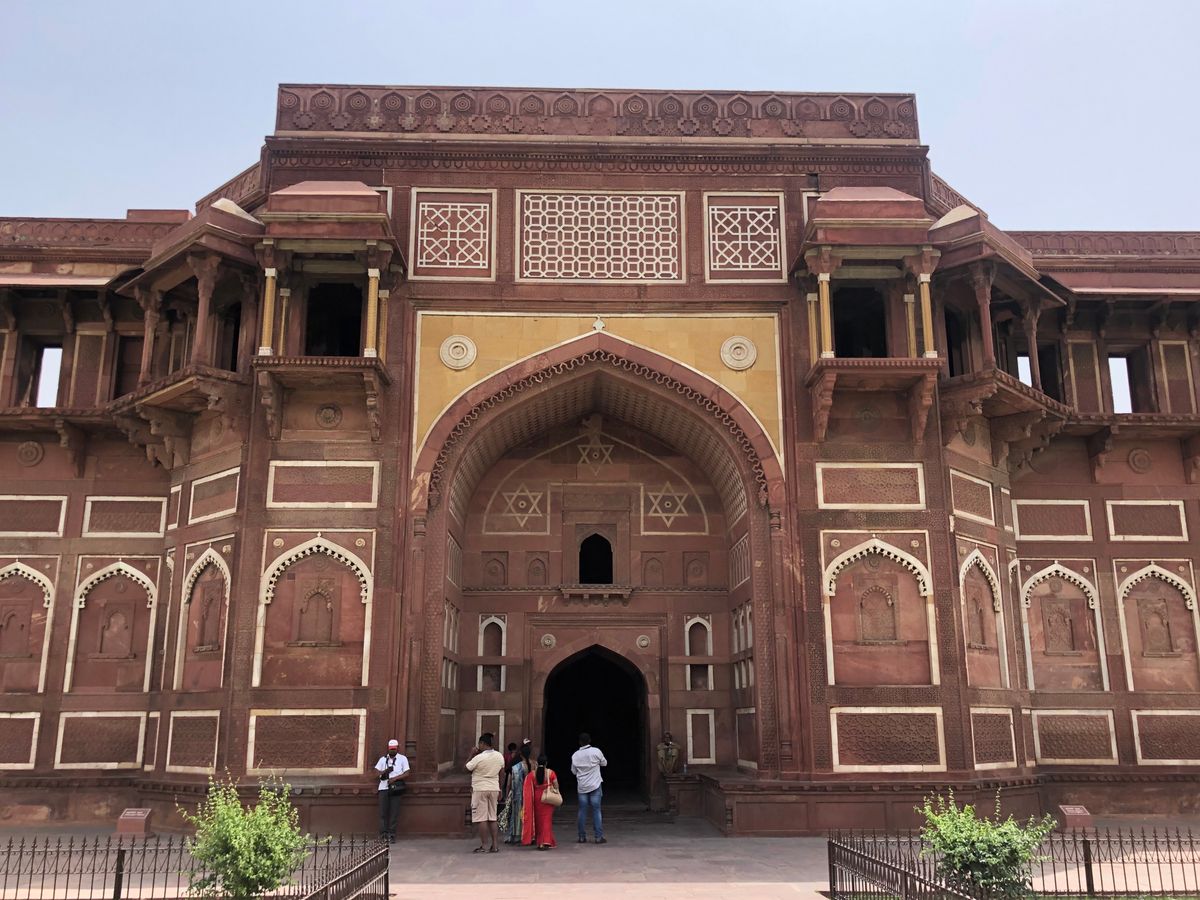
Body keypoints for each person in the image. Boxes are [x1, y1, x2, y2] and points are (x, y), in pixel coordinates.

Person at [465, 732, 505, 853]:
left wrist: (471, 754)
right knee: (492, 817)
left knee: (481, 818)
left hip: (480, 789)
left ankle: (484, 845)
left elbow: (466, 768)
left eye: (479, 744)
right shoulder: (499, 756)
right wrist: (500, 788)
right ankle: (495, 845)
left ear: (482, 743)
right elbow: (502, 774)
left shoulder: (478, 758)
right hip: (494, 788)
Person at [570, 732, 607, 844]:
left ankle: (581, 837)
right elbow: (604, 763)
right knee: (596, 810)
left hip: (582, 786)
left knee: (582, 811)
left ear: (579, 742)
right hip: (595, 785)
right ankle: (598, 837)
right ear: (589, 740)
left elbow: (573, 771)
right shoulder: (596, 751)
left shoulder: (575, 755)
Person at [372, 739, 410, 843]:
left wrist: (394, 778)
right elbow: (375, 772)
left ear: (397, 748)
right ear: (388, 749)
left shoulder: (402, 759)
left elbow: (407, 773)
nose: (392, 751)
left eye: (394, 749)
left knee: (394, 813)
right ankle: (383, 834)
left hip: (395, 788)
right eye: (391, 749)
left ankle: (391, 834)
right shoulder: (383, 759)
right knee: (383, 813)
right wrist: (385, 772)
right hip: (383, 788)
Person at [521, 753, 559, 850]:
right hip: (548, 798)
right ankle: (545, 841)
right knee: (547, 820)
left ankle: (540, 842)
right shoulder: (551, 773)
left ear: (537, 763)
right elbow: (556, 785)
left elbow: (527, 787)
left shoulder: (532, 774)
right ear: (546, 763)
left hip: (537, 799)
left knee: (538, 821)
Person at [505, 739, 532, 844]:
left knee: (517, 815)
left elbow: (509, 783)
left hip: (518, 794)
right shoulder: (534, 764)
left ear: (520, 753)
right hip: (529, 794)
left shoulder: (516, 767)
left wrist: (507, 794)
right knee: (528, 815)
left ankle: (516, 835)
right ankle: (529, 835)